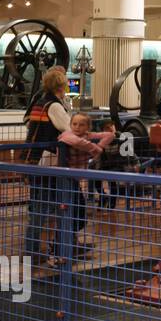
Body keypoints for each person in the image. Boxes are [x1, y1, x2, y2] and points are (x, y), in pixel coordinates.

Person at [21, 67, 72, 259]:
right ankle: (36, 251)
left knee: (39, 206)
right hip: (49, 160)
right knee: (47, 207)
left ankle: (37, 249)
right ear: (61, 85)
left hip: (34, 159)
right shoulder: (54, 106)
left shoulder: (40, 103)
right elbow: (68, 128)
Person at [53, 113, 115, 263]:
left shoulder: (88, 135)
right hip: (63, 179)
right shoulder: (67, 135)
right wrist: (95, 148)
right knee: (69, 213)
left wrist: (98, 145)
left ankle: (66, 244)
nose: (77, 127)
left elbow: (109, 135)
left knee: (79, 214)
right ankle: (57, 248)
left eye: (81, 125)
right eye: (74, 124)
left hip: (73, 180)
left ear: (88, 127)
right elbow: (69, 139)